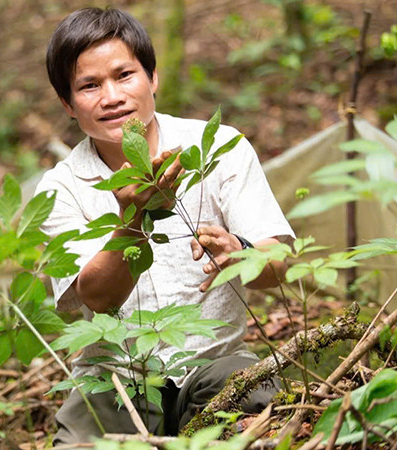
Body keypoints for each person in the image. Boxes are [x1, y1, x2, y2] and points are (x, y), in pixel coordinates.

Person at [34, 7, 295, 444]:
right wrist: (134, 218)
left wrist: (243, 253)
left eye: (124, 75)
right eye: (90, 86)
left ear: (152, 78)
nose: (112, 96)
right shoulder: (60, 188)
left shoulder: (220, 150)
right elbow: (95, 297)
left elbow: (280, 263)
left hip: (217, 364)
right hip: (114, 378)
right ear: (68, 104)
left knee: (257, 407)